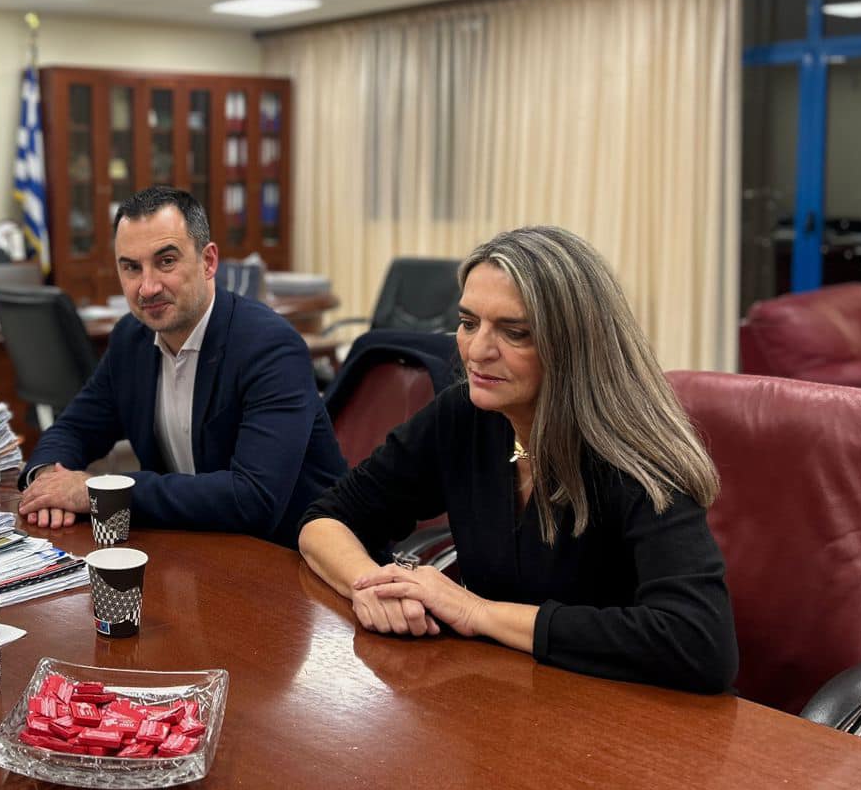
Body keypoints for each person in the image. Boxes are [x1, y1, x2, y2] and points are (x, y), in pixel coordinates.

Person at [298, 226, 738, 694]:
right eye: (468, 323)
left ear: (575, 345)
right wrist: (372, 588)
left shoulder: (637, 456)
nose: (478, 351)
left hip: (625, 713)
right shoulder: (465, 415)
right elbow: (327, 518)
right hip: (505, 694)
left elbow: (700, 643)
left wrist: (476, 612)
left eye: (515, 333)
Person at [17, 186, 346, 548]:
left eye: (166, 261)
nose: (147, 287)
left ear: (208, 262)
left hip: (293, 557)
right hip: (192, 548)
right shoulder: (131, 339)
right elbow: (75, 428)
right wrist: (48, 480)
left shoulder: (269, 347)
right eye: (131, 267)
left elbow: (252, 499)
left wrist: (98, 491)